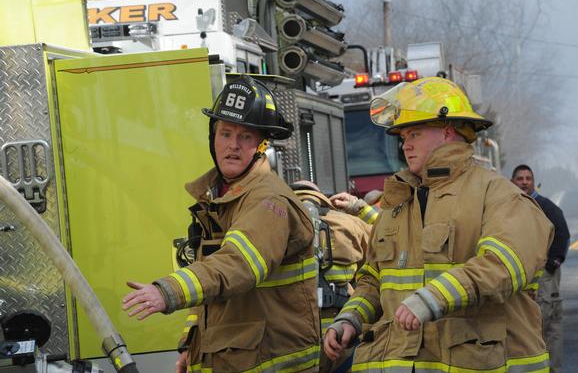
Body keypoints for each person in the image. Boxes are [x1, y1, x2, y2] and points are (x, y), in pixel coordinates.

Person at [323, 77, 554, 372]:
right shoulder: (399, 203)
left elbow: (502, 266)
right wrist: (351, 319)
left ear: (447, 132)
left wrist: (433, 297)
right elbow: (374, 279)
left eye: (414, 134)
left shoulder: (499, 195)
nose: (405, 145)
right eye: (402, 137)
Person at [122, 75, 320, 373]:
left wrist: (169, 291)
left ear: (262, 145)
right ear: (212, 138)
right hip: (233, 357)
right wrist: (192, 343)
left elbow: (237, 265)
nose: (233, 146)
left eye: (245, 137)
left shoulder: (268, 200)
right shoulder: (219, 198)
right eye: (225, 134)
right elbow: (211, 286)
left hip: (270, 361)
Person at [291, 180, 372, 373]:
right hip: (342, 335)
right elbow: (389, 243)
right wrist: (360, 208)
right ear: (321, 197)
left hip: (294, 338)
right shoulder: (350, 224)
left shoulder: (274, 226)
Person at [512, 164, 570, 373]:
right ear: (512, 182)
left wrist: (552, 264)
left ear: (533, 182)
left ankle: (552, 369)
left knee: (548, 325)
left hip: (545, 277)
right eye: (520, 178)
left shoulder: (547, 207)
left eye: (528, 178)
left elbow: (562, 234)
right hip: (518, 276)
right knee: (522, 327)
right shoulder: (508, 207)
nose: (524, 182)